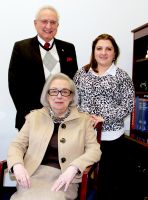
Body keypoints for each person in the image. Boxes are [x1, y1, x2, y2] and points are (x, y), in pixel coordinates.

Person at [7, 73, 102, 200]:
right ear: (47, 95)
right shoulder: (34, 117)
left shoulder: (84, 120)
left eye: (65, 92)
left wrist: (74, 168)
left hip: (65, 178)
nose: (59, 96)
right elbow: (17, 145)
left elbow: (94, 150)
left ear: (71, 96)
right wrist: (17, 165)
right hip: (33, 175)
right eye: (53, 91)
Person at [73, 34, 135, 200]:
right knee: (78, 177)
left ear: (115, 53)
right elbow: (73, 100)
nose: (103, 52)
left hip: (111, 138)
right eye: (99, 48)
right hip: (84, 135)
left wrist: (104, 118)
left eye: (109, 49)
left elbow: (128, 105)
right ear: (94, 51)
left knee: (107, 183)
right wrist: (83, 117)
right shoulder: (82, 73)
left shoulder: (122, 76)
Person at [8, 5, 78, 130]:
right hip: (31, 118)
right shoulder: (21, 48)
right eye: (44, 21)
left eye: (53, 22)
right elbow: (15, 85)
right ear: (35, 23)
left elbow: (73, 83)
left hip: (62, 118)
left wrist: (70, 111)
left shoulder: (68, 49)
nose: (48, 26)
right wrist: (27, 113)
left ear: (57, 26)